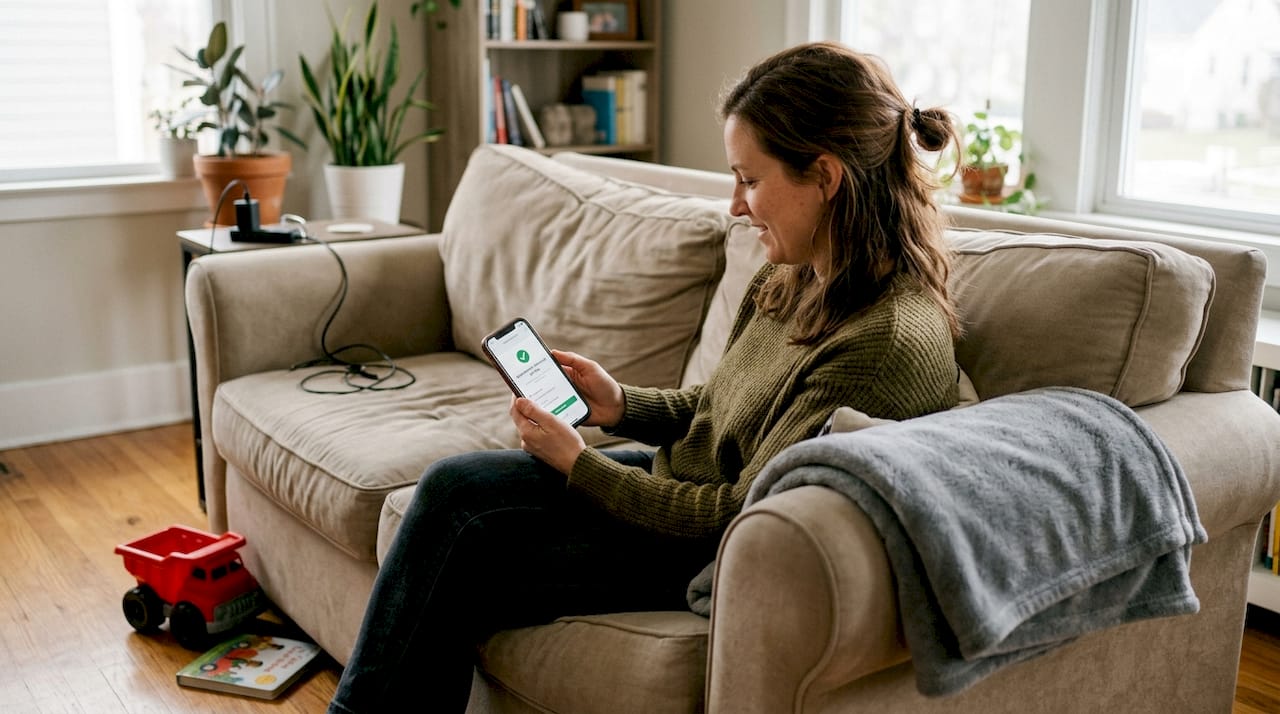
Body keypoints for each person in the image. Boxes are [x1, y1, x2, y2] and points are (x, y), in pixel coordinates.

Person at [328, 40, 962, 713]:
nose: (735, 206)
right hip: (672, 486)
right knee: (451, 488)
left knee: (460, 564)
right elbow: (722, 405)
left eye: (750, 180)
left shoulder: (880, 343)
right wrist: (620, 405)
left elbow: (738, 515)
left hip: (700, 547)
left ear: (826, 176)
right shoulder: (797, 273)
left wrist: (580, 464)